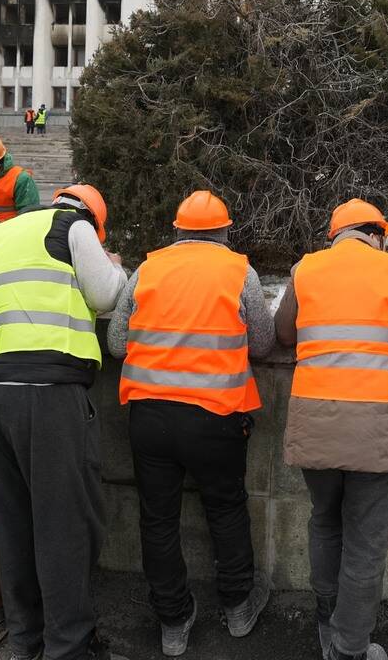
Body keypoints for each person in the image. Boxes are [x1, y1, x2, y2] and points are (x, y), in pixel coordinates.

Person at [0, 185, 129, 660]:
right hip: (47, 394)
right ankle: (68, 648)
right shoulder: (74, 226)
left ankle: (25, 639)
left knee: (13, 519)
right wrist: (114, 265)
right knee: (64, 523)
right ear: (93, 216)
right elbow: (107, 295)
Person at [274, 199, 388, 660]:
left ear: (334, 236)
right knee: (366, 544)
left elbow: (283, 333)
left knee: (325, 520)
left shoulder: (306, 269)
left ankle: (328, 618)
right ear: (378, 234)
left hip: (314, 419)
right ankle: (349, 647)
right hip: (376, 423)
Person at [106, 190, 272, 657]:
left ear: (177, 230)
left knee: (158, 519)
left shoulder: (147, 269)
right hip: (217, 417)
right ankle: (238, 607)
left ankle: (173, 621)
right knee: (226, 508)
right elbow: (261, 343)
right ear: (225, 231)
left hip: (151, 415)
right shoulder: (241, 271)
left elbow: (117, 343)